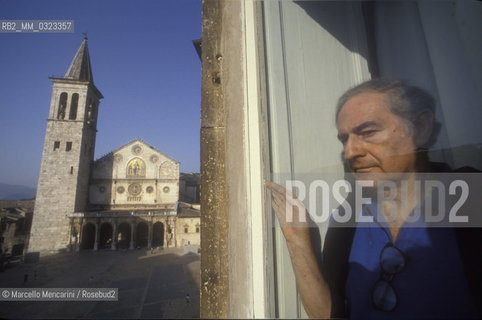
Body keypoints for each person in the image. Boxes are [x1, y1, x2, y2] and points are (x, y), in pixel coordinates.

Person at [266, 79, 480, 319]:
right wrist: (298, 241)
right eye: (344, 139)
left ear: (420, 128)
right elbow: (330, 314)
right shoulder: (350, 217)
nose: (350, 152)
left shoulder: (471, 199)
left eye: (368, 132)